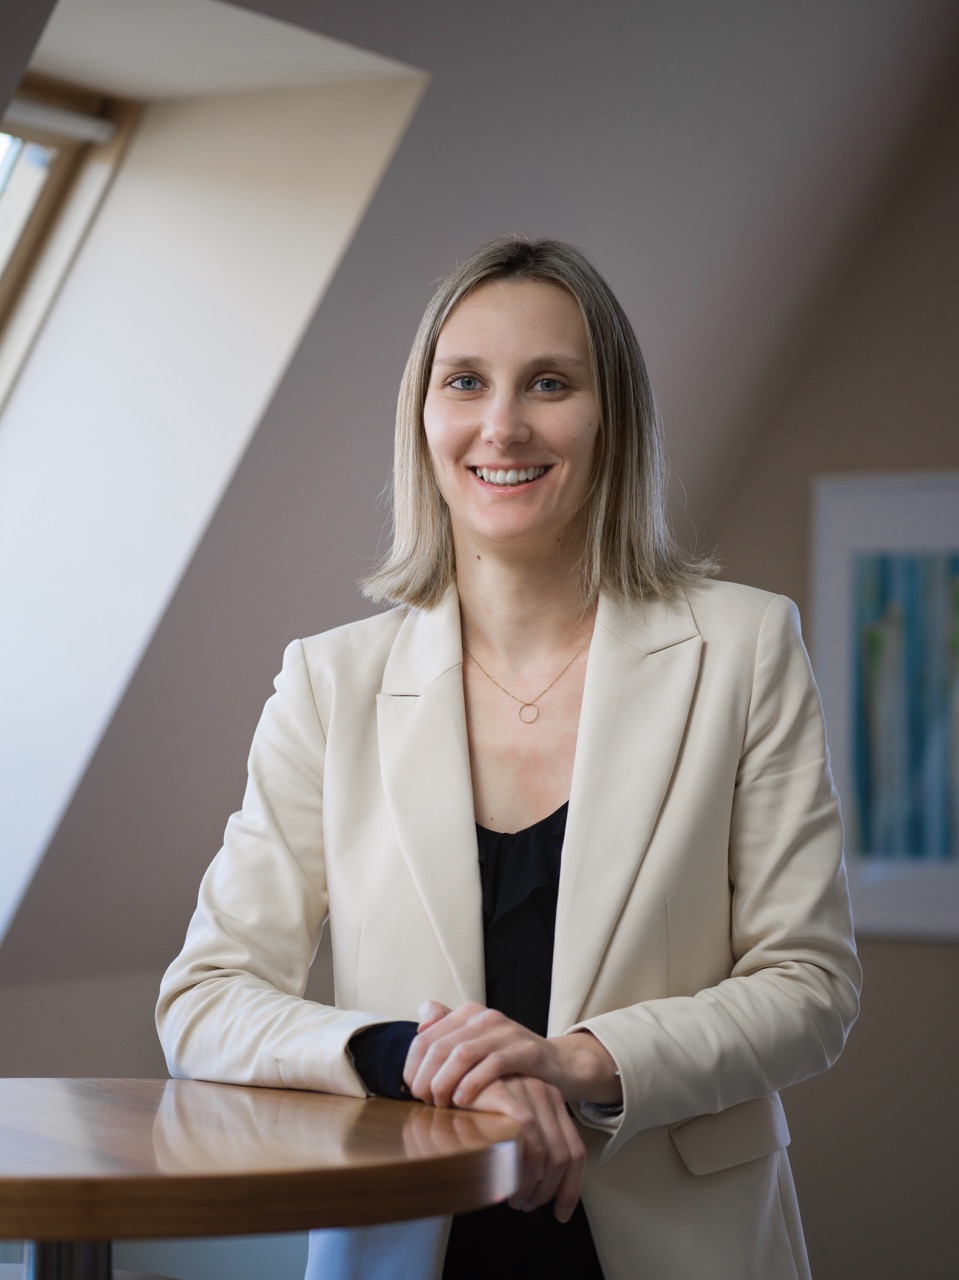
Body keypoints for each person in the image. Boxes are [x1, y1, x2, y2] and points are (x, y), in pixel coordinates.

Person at [157, 236, 861, 1280]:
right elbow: (204, 997)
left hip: (684, 1246)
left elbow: (808, 983)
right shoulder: (328, 682)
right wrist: (414, 1059)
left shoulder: (745, 648)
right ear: (424, 418)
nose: (502, 424)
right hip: (412, 1240)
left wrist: (574, 1059)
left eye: (548, 382)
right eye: (465, 381)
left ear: (609, 414)